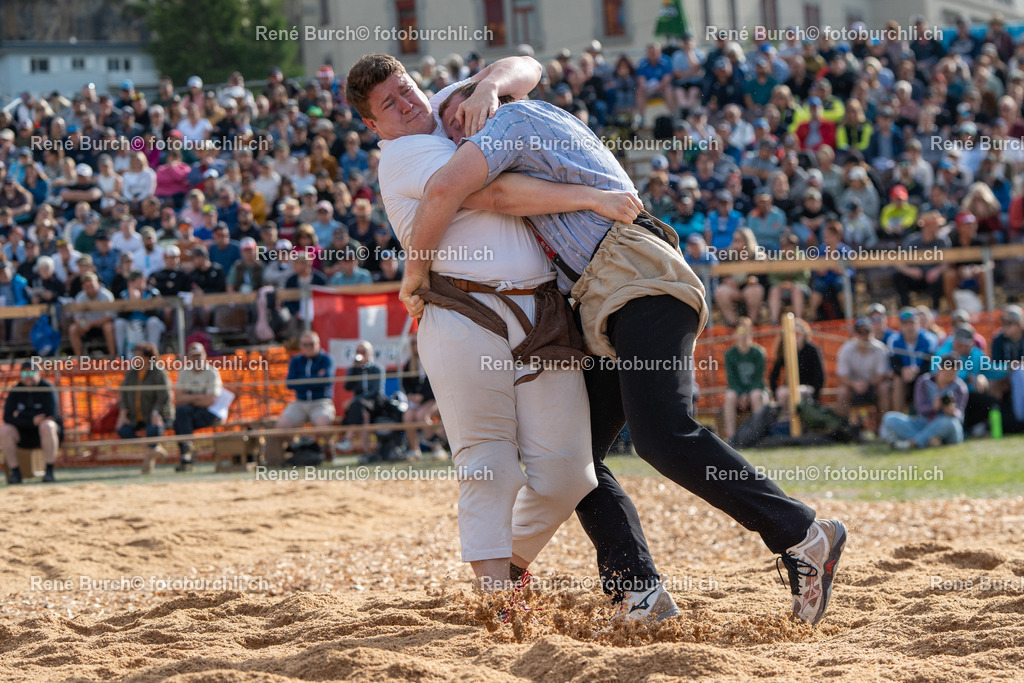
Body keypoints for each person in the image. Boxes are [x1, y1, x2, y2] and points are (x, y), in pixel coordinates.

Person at [392, 70, 846, 624]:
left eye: (456, 122)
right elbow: (503, 171)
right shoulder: (520, 123)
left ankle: (802, 535)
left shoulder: (511, 117)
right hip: (611, 296)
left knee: (663, 436)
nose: (458, 139)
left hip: (636, 282)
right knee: (576, 457)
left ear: (479, 102)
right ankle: (638, 591)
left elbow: (472, 183)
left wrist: (414, 276)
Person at [349, 55, 613, 604]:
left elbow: (529, 66)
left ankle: (507, 562)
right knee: (487, 459)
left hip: (538, 310)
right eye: (388, 106)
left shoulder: (449, 104)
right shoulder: (403, 156)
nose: (406, 104)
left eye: (406, 89)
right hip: (461, 312)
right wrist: (590, 197)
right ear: (374, 128)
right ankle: (496, 597)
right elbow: (494, 194)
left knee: (571, 472)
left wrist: (487, 85)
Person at [272, 331, 335, 463]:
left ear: (318, 344)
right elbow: (290, 383)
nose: (308, 347)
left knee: (323, 423)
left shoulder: (326, 359)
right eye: (305, 344)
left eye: (311, 344)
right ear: (301, 346)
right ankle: (299, 446)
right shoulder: (296, 360)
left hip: (321, 401)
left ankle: (328, 448)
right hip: (300, 401)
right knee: (281, 426)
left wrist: (303, 381)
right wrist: (315, 379)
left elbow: (326, 381)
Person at [880, 356, 967, 450]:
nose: (949, 377)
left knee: (949, 422)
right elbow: (920, 409)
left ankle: (913, 442)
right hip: (923, 424)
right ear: (939, 369)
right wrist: (933, 407)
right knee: (889, 418)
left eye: (952, 374)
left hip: (946, 426)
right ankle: (931, 440)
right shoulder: (924, 381)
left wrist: (952, 412)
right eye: (947, 373)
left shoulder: (960, 387)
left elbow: (960, 415)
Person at [115, 342, 173, 473]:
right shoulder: (131, 373)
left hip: (158, 415)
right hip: (136, 416)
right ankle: (153, 450)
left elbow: (164, 395)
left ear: (148, 357)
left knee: (154, 429)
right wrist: (122, 414)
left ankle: (149, 461)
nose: (135, 358)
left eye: (139, 356)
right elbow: (123, 394)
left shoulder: (158, 372)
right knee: (122, 429)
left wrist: (156, 411)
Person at [2, 362, 62, 483]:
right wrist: (31, 420)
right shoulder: (15, 390)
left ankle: (49, 471)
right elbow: (7, 417)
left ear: (39, 373)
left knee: (47, 425)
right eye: (24, 372)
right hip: (23, 434)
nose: (28, 375)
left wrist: (20, 416)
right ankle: (15, 473)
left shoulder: (47, 388)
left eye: (31, 372)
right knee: (4, 430)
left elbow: (51, 414)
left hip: (45, 434)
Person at [172, 342, 223, 471]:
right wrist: (201, 396)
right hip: (190, 411)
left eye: (199, 355)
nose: (197, 359)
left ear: (205, 356)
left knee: (181, 419)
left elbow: (210, 400)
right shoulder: (184, 372)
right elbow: (178, 398)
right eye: (194, 356)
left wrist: (189, 398)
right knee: (182, 414)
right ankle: (187, 454)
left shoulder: (211, 372)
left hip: (210, 412)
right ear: (189, 357)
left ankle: (186, 455)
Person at [835, 317, 892, 427]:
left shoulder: (880, 349)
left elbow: (882, 375)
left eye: (867, 332)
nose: (864, 336)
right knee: (842, 391)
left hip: (873, 386)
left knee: (884, 388)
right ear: (855, 334)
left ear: (872, 332)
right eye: (860, 332)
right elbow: (842, 376)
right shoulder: (846, 349)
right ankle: (843, 428)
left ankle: (884, 427)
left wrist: (868, 383)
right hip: (853, 387)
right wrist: (854, 384)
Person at [722, 317, 768, 441]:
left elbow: (759, 379)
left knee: (755, 395)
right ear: (736, 333)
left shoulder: (758, 353)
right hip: (739, 392)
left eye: (747, 331)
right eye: (741, 331)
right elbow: (732, 380)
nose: (744, 335)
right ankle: (732, 437)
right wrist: (742, 393)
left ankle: (758, 435)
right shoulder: (730, 354)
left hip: (755, 391)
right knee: (730, 396)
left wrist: (747, 394)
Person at [401, 333, 446, 461]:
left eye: (417, 342)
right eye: (413, 343)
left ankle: (437, 448)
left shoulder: (432, 360)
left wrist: (422, 396)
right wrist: (410, 394)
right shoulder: (410, 363)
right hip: (417, 401)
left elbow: (436, 382)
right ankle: (414, 450)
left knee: (421, 416)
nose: (415, 345)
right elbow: (406, 383)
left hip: (433, 398)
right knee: (408, 416)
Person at [768, 317, 825, 411]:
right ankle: (786, 422)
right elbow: (774, 376)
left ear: (804, 334)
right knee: (783, 393)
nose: (796, 336)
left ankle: (800, 423)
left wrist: (815, 395)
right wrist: (775, 393)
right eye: (793, 334)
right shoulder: (784, 350)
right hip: (790, 389)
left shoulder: (812, 350)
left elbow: (819, 376)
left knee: (797, 393)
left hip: (807, 387)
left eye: (798, 333)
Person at [68, 272, 116, 357]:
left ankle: (112, 357)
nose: (90, 289)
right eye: (87, 286)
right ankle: (79, 359)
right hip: (87, 327)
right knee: (73, 329)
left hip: (102, 326)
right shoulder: (80, 297)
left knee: (108, 327)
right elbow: (77, 318)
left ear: (98, 284)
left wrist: (91, 324)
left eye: (92, 286)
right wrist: (83, 324)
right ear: (83, 287)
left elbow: (110, 317)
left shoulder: (106, 295)